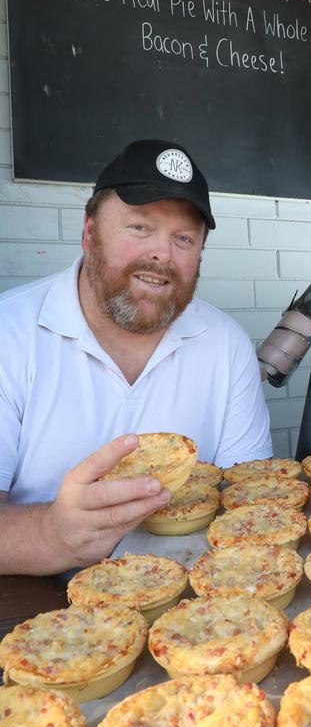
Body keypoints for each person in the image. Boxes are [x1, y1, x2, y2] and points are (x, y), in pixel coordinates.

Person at [0, 139, 272, 575]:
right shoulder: (9, 334)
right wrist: (52, 536)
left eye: (183, 238)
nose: (162, 254)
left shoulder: (227, 345)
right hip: (38, 617)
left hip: (197, 613)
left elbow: (250, 500)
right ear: (90, 233)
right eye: (140, 227)